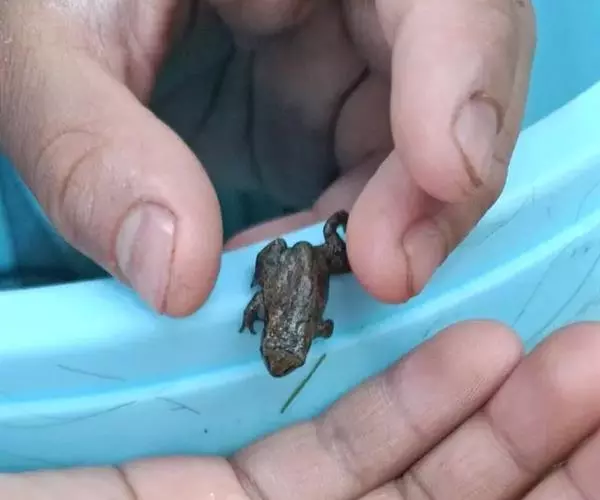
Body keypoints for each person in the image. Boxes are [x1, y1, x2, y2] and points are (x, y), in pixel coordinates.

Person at [5, 1, 596, 498]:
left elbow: (293, 306)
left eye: (276, 349)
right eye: (279, 352)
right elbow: (308, 313)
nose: (277, 357)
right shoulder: (304, 324)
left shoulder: (299, 320)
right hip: (292, 253)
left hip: (297, 245)